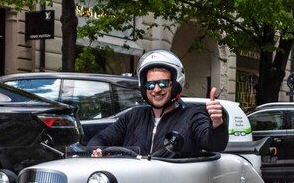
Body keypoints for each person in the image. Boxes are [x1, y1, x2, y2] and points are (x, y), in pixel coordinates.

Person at [89, 50, 227, 158]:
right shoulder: (133, 117)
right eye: (150, 84)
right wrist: (98, 152)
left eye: (163, 83)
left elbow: (214, 144)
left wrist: (217, 123)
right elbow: (100, 139)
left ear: (175, 84)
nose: (156, 89)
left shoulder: (192, 116)